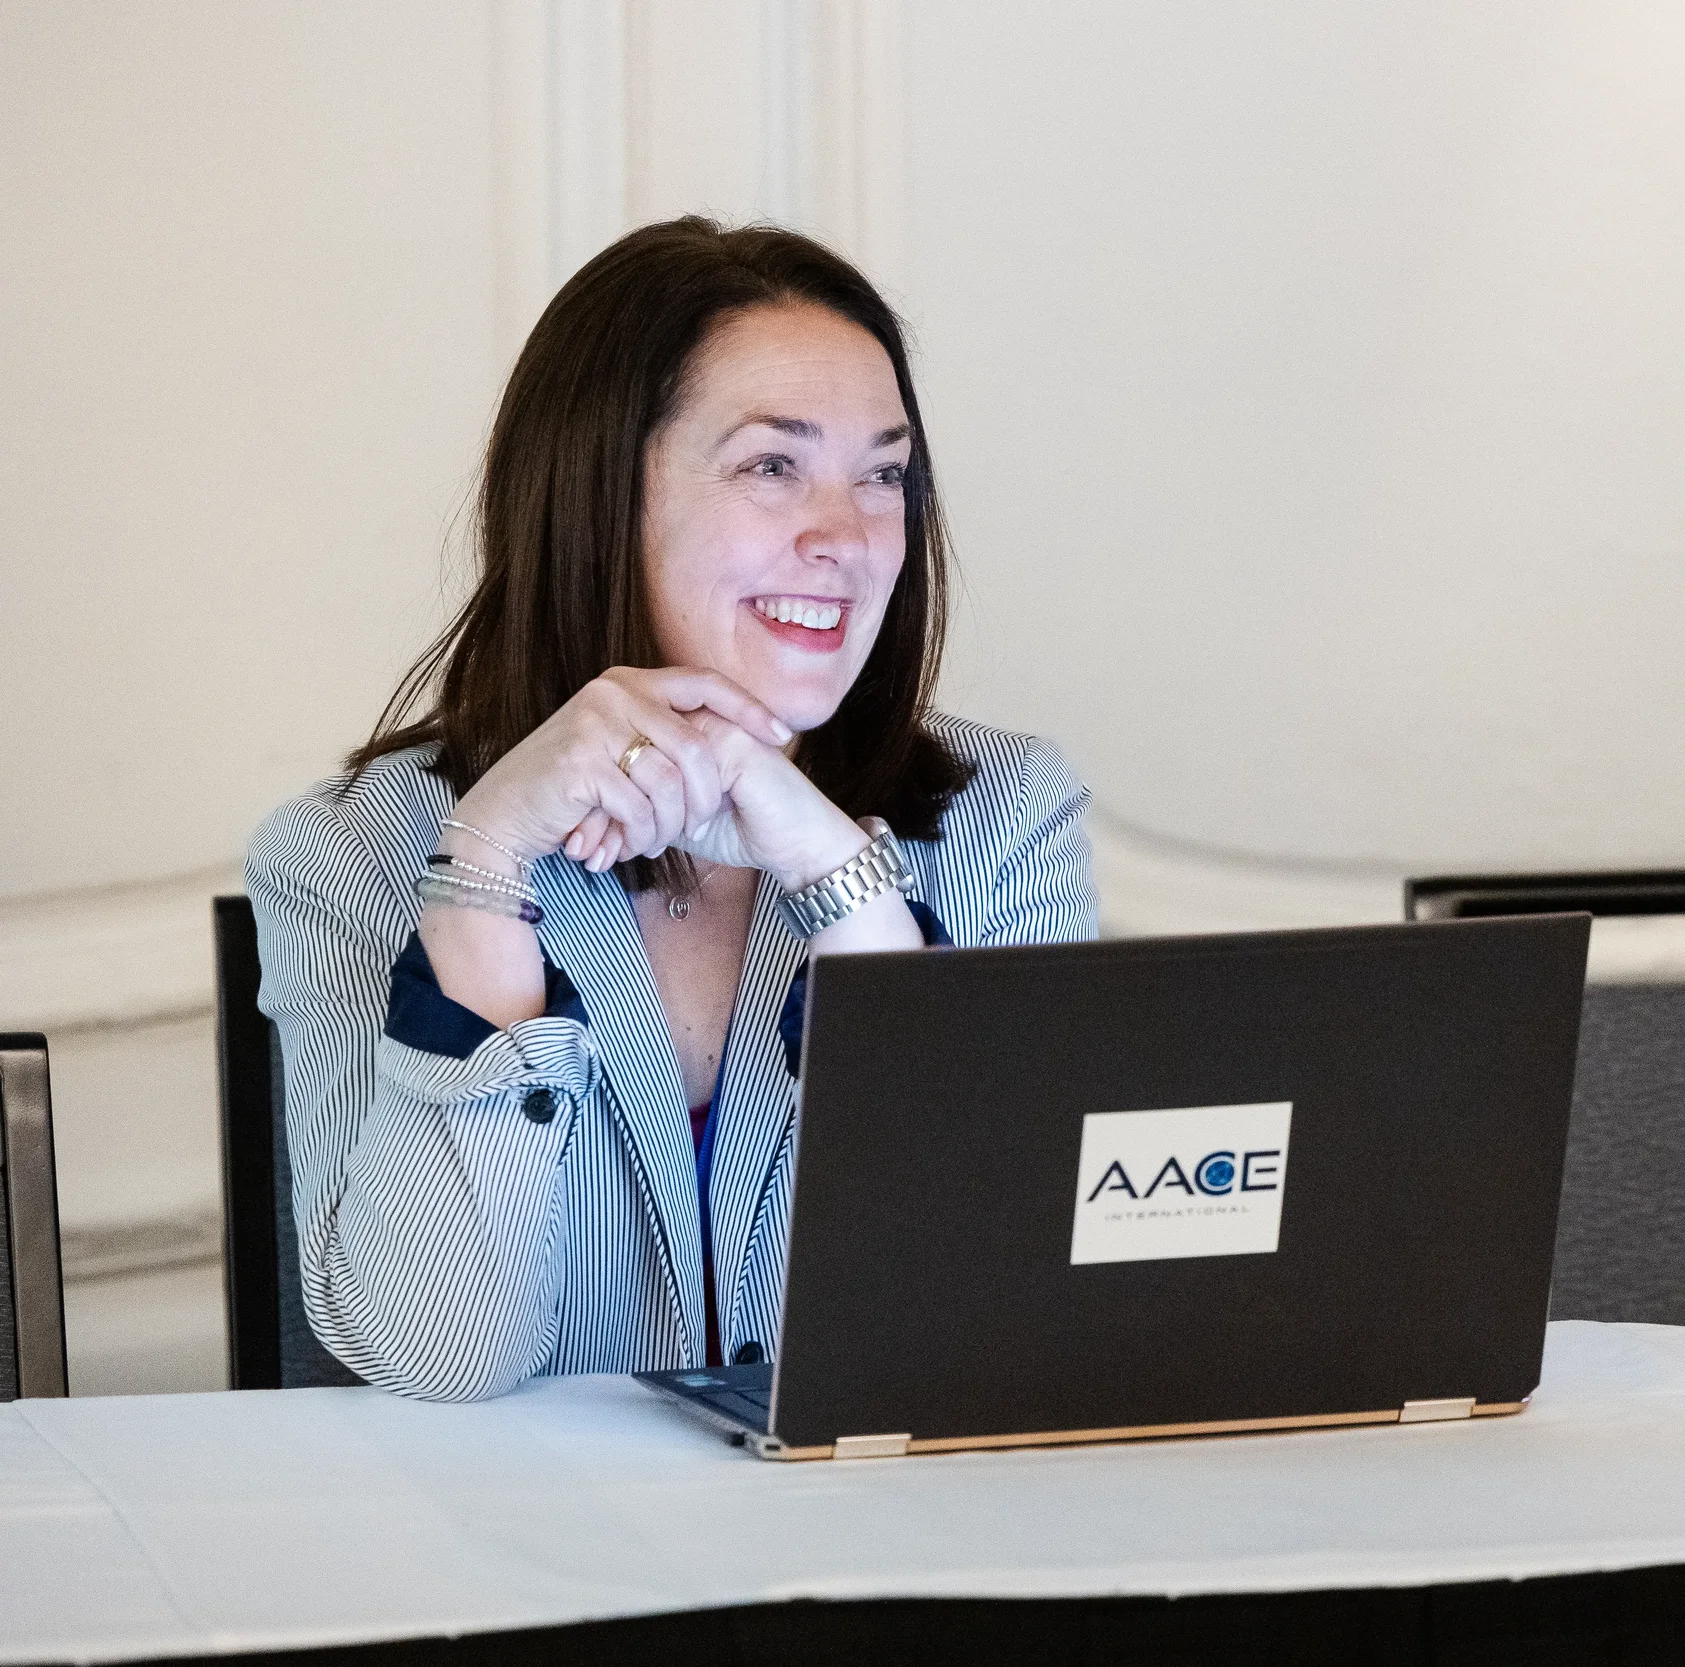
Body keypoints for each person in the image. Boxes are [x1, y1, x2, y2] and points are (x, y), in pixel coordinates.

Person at [247, 217, 1096, 1402]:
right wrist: (484, 864)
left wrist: (833, 872)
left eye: (883, 473)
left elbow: (1015, 1313)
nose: (847, 535)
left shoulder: (1009, 813)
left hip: (884, 1561)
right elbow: (436, 1357)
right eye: (771, 465)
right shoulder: (346, 850)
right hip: (532, 1572)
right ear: (602, 495)